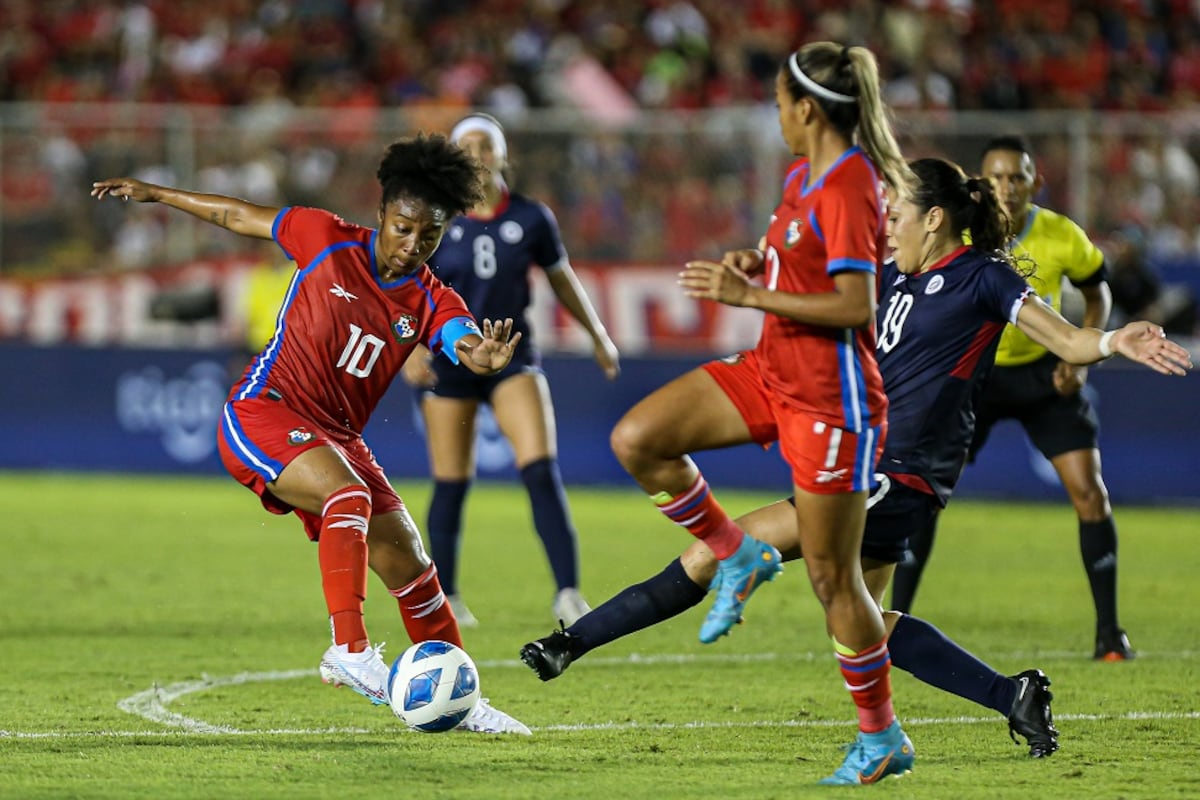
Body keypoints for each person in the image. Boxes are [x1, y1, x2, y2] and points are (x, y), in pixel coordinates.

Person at [520, 158, 1193, 762]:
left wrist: (1114, 340)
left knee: (718, 554)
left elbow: (1067, 339)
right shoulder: (892, 275)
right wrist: (762, 266)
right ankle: (1012, 693)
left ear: (935, 219)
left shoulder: (983, 277)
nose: (888, 224)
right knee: (864, 624)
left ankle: (570, 644)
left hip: (895, 471)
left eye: (897, 213)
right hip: (871, 460)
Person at [91, 133, 533, 735]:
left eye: (428, 237)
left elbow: (467, 344)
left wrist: (486, 356)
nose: (411, 246)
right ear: (382, 214)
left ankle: (463, 701)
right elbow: (236, 214)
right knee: (347, 496)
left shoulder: (433, 298)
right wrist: (157, 194)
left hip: (337, 437)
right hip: (263, 412)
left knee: (413, 564)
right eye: (403, 228)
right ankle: (349, 652)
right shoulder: (325, 239)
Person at [587, 43, 914, 785]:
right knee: (640, 439)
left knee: (836, 583)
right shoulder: (804, 175)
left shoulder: (851, 184)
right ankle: (734, 551)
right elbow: (793, 261)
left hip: (834, 403)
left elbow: (856, 304)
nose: (775, 118)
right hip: (772, 371)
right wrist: (754, 264)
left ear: (805, 109)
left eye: (776, 106)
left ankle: (882, 736)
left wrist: (750, 298)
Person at [889, 135, 1136, 662]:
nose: (1006, 187)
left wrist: (1082, 352)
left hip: (1044, 377)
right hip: (974, 379)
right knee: (918, 497)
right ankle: (896, 617)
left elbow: (1098, 292)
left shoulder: (1060, 235)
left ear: (1034, 183)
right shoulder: (966, 243)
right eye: (996, 178)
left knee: (1089, 492)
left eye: (1016, 177)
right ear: (979, 185)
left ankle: (1109, 634)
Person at [402, 113, 619, 628]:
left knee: (541, 470)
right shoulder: (437, 217)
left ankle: (568, 593)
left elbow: (561, 280)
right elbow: (407, 287)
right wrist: (408, 347)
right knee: (451, 481)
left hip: (512, 356)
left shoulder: (533, 217)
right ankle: (447, 597)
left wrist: (598, 335)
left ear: (503, 156)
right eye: (468, 145)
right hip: (450, 357)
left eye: (486, 144)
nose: (477, 152)